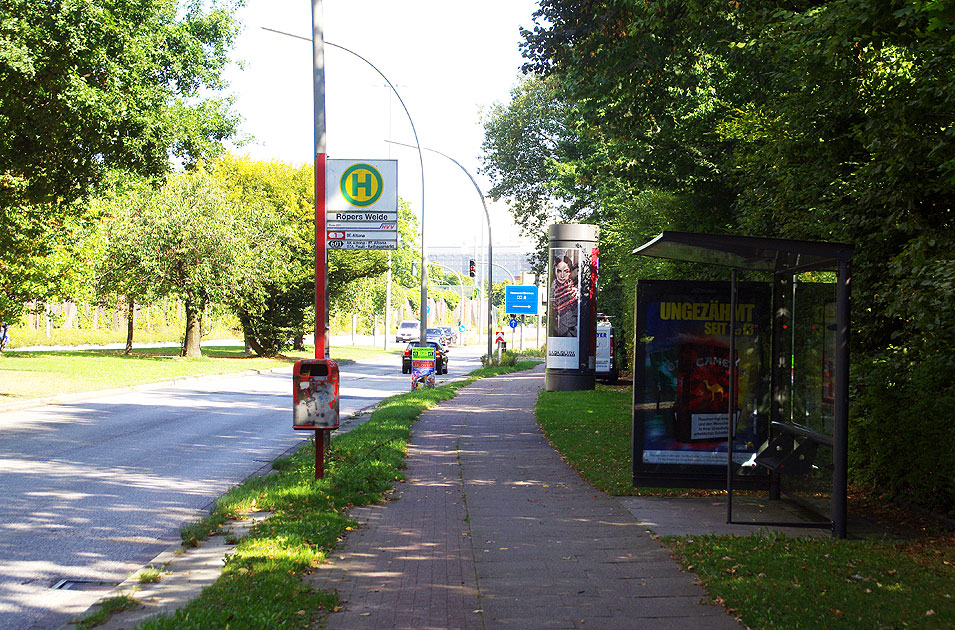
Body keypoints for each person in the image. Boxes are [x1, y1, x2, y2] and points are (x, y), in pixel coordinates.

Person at [550, 256, 579, 337]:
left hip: (570, 333)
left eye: (565, 271)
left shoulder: (575, 292)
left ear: (570, 273)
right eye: (559, 271)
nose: (562, 275)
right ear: (556, 272)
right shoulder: (551, 290)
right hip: (555, 334)